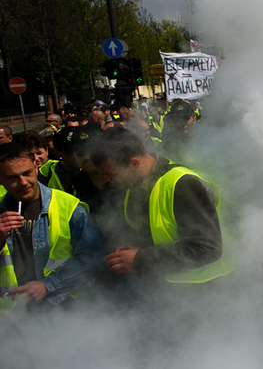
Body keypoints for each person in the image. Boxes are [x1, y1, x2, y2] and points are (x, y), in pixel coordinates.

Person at [89, 127, 232, 294]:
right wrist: (139, 246)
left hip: (204, 292)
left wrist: (140, 259)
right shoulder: (133, 184)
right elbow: (164, 232)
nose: (106, 180)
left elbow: (207, 249)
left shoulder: (183, 184)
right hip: (168, 293)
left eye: (110, 174)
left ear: (134, 163)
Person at [0, 142, 105, 310]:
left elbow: (93, 257)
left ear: (35, 167)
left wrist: (47, 285)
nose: (23, 182)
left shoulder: (69, 207)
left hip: (65, 306)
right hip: (14, 312)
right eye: (12, 177)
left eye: (27, 173)